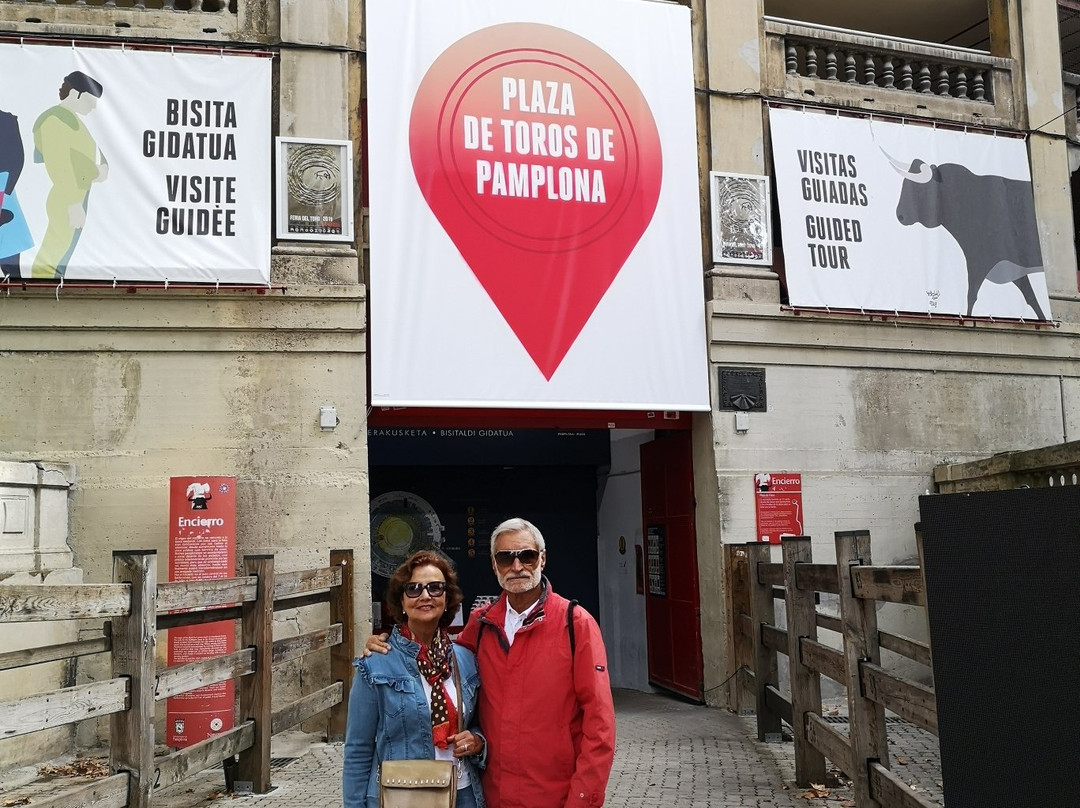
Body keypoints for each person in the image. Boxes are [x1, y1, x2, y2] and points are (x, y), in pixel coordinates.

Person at [366, 517, 617, 808]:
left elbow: (600, 726)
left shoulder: (575, 624)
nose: (517, 566)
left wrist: (583, 800)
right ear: (494, 565)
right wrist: (387, 644)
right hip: (493, 795)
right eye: (506, 557)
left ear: (543, 559)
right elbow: (439, 664)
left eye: (527, 555)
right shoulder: (481, 623)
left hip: (555, 794)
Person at [344, 550, 486, 808]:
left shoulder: (465, 660)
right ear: (401, 600)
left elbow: (479, 725)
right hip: (402, 795)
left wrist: (476, 741)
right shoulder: (375, 664)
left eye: (435, 588)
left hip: (463, 794)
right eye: (413, 589)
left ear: (447, 597)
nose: (425, 596)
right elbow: (358, 750)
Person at [31, 70, 109, 279]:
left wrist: (99, 170)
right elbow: (59, 166)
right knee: (54, 255)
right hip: (67, 197)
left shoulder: (75, 121)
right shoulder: (54, 121)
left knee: (64, 253)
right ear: (75, 93)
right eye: (89, 100)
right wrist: (72, 204)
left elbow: (95, 156)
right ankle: (39, 290)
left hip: (78, 194)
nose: (93, 106)